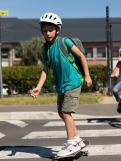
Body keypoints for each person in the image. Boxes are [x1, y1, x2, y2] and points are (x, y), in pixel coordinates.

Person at [30, 12, 92, 157]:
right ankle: (77, 140)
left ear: (57, 30)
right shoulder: (45, 49)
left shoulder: (64, 42)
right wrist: (38, 87)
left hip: (73, 81)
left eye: (50, 30)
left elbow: (81, 56)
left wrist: (87, 75)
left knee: (65, 112)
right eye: (45, 30)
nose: (47, 33)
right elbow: (45, 69)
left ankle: (71, 143)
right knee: (61, 112)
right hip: (61, 85)